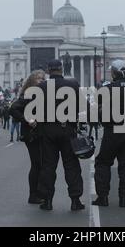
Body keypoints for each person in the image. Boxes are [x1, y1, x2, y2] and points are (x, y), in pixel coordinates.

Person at [92, 60, 125, 208]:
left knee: (103, 162)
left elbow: (99, 107)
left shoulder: (107, 88)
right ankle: (124, 198)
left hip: (113, 130)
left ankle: (103, 197)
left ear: (114, 72)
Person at [37, 60, 85, 211]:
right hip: (68, 130)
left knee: (48, 167)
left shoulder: (41, 87)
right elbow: (82, 107)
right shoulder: (73, 85)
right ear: (62, 69)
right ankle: (75, 200)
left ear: (48, 70)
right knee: (71, 166)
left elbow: (34, 110)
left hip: (48, 130)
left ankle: (47, 201)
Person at [9, 70, 46, 205]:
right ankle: (33, 195)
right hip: (31, 134)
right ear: (32, 81)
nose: (41, 81)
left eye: (43, 79)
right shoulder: (28, 94)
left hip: (40, 133)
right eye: (39, 79)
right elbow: (13, 109)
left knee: (40, 164)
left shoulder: (39, 94)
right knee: (37, 164)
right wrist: (27, 119)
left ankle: (39, 193)